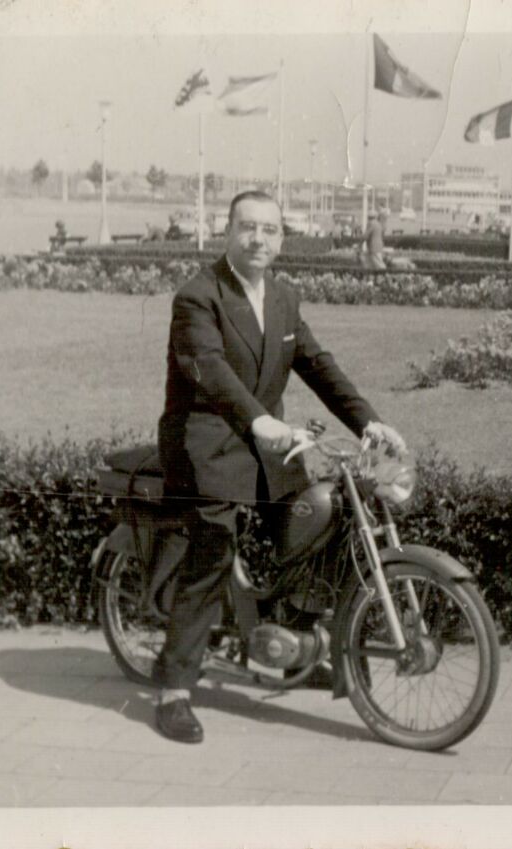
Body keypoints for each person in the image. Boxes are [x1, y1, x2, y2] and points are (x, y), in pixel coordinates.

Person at [154, 190, 405, 744]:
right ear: (227, 232)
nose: (258, 239)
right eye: (248, 228)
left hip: (268, 445)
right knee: (212, 552)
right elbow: (211, 371)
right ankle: (173, 688)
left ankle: (289, 638)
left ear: (282, 239)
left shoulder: (283, 298)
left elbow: (317, 364)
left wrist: (368, 421)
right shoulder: (198, 297)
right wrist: (259, 421)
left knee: (318, 520)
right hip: (208, 443)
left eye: (270, 230)